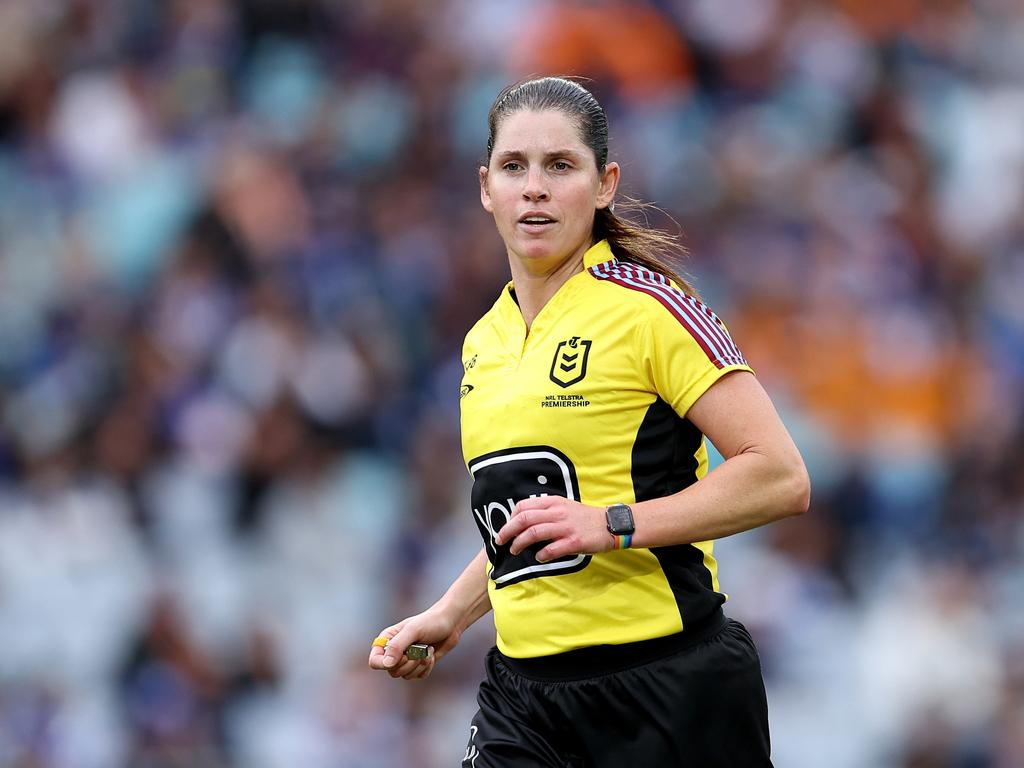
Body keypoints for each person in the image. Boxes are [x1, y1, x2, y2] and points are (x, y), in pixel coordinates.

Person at [368, 76, 810, 767]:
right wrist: (451, 612)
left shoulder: (650, 309)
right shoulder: (484, 339)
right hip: (525, 699)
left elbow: (780, 475)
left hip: (669, 689)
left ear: (605, 184)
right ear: (486, 188)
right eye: (515, 167)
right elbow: (526, 525)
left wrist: (614, 523)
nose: (535, 188)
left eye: (560, 166)